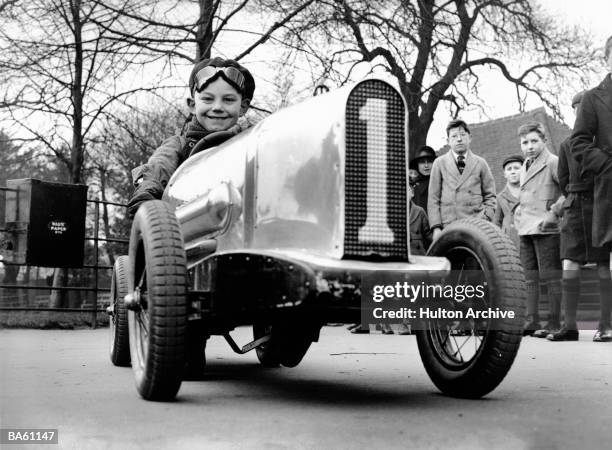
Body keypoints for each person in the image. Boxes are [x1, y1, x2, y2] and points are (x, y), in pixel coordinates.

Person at [127, 57, 255, 217]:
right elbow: (158, 168)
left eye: (228, 100)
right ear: (192, 104)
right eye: (208, 99)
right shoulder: (179, 145)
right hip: (188, 228)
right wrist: (146, 198)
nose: (217, 107)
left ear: (243, 106)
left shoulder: (251, 145)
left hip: (241, 224)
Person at [547, 91, 611, 342]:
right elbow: (563, 179)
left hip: (601, 205)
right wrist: (573, 201)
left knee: (604, 265)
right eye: (576, 108)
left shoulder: (605, 142)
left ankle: (606, 325)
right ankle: (569, 326)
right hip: (574, 210)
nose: (579, 112)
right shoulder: (566, 144)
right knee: (569, 264)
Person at [570, 35, 612, 341]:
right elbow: (579, 143)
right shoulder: (593, 98)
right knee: (604, 260)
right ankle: (606, 324)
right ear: (607, 59)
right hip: (609, 188)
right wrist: (607, 165)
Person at [514, 122, 563, 337]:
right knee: (529, 277)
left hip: (546, 229)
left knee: (550, 277)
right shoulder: (524, 165)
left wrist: (553, 213)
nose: (529, 146)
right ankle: (532, 320)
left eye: (534, 141)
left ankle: (554, 322)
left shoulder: (553, 162)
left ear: (543, 140)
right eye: (525, 142)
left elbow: (568, 190)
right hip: (525, 229)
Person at [428, 119, 497, 241]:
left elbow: (490, 195)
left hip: (477, 225)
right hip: (448, 226)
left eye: (462, 135)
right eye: (454, 136)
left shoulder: (480, 163)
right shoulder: (439, 163)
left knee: (475, 258)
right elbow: (433, 199)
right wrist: (436, 227)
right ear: (448, 141)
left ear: (470, 138)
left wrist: (486, 217)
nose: (459, 139)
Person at [493, 154, 524, 249]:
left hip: (530, 233)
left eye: (516, 168)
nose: (513, 172)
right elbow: (496, 223)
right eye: (509, 169)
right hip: (511, 240)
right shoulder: (500, 197)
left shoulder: (531, 191)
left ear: (524, 170)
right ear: (505, 174)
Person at [410, 146, 437, 212]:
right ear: (417, 165)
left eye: (430, 161)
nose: (426, 165)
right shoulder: (412, 186)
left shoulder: (440, 183)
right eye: (422, 162)